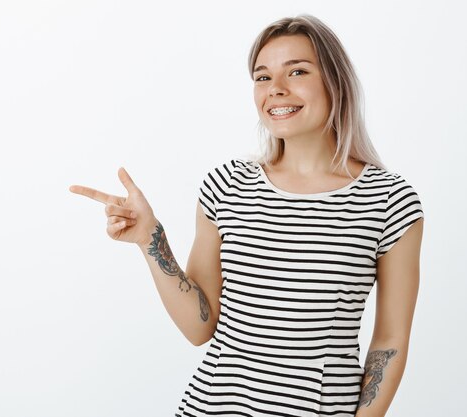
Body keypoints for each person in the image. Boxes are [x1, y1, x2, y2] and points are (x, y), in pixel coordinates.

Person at [69, 13, 424, 417]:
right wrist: (152, 239)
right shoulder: (226, 186)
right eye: (262, 77)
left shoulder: (389, 200)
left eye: (298, 71)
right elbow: (199, 328)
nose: (277, 90)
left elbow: (389, 341)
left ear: (335, 82)